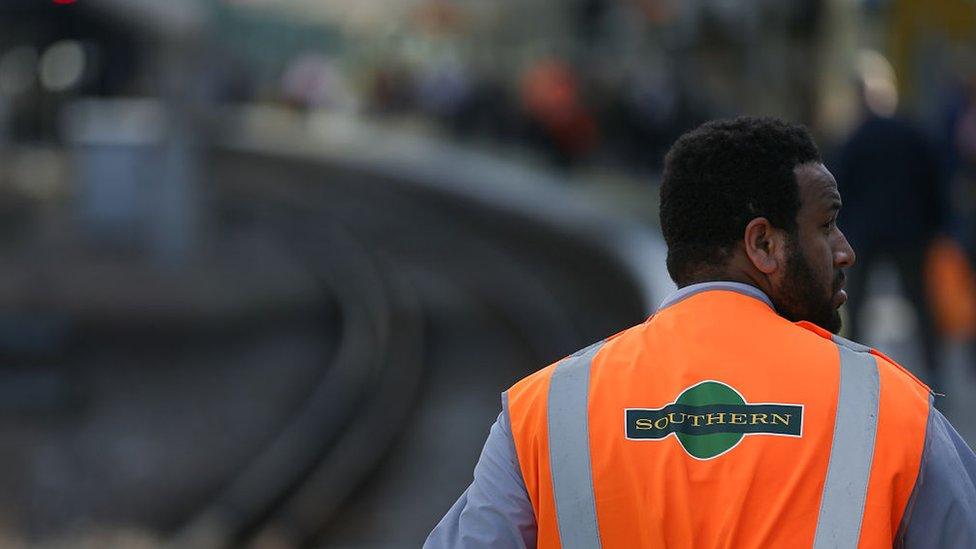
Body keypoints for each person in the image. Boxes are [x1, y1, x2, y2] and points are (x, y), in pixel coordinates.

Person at [425, 117, 976, 547]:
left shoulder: (545, 413)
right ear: (763, 244)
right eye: (827, 225)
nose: (845, 251)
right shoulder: (888, 406)